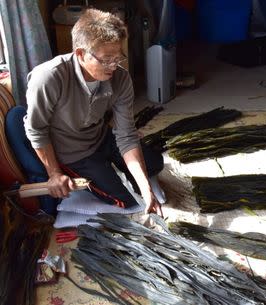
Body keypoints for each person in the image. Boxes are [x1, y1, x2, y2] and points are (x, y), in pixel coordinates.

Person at [24, 8, 164, 216]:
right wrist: (54, 173)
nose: (114, 66)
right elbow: (36, 129)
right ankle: (101, 169)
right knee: (127, 199)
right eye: (107, 59)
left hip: (102, 137)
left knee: (154, 165)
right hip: (73, 153)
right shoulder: (48, 78)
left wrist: (145, 186)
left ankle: (112, 166)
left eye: (118, 58)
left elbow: (125, 135)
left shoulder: (121, 78)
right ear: (81, 54)